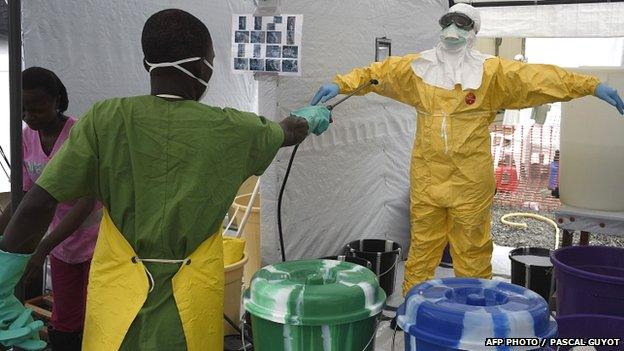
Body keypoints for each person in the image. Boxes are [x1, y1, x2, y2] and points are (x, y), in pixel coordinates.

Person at [0, 9, 331, 351]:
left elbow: (38, 200)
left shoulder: (105, 120)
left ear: (147, 64)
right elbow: (289, 131)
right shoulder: (235, 129)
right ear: (203, 67)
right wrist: (312, 115)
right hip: (188, 303)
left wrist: (3, 280)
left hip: (118, 300)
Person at [310, 3, 624, 295]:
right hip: (428, 180)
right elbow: (379, 74)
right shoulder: (418, 69)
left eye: (461, 23)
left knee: (472, 253)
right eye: (447, 21)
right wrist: (342, 84)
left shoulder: (492, 73)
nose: (452, 28)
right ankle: (414, 311)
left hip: (469, 184)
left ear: (473, 31)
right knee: (421, 252)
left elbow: (540, 79)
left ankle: (473, 311)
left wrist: (590, 85)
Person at [0, 67, 101, 351]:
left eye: (37, 109)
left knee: (97, 310)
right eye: (22, 109)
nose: (29, 116)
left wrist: (42, 247)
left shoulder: (79, 135)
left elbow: (86, 202)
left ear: (57, 101)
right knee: (65, 317)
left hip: (95, 242)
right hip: (61, 246)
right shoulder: (25, 138)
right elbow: (24, 197)